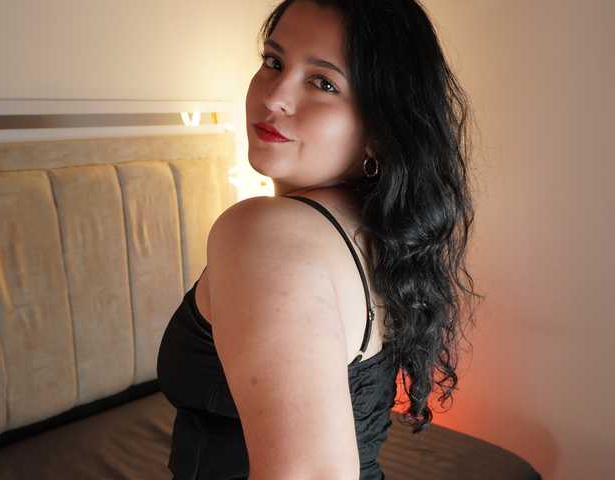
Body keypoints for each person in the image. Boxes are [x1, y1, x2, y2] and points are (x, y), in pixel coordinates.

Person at [157, 0, 482, 478]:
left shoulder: (263, 234)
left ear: (379, 129)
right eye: (274, 62)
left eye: (323, 83)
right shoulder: (376, 230)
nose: (275, 97)